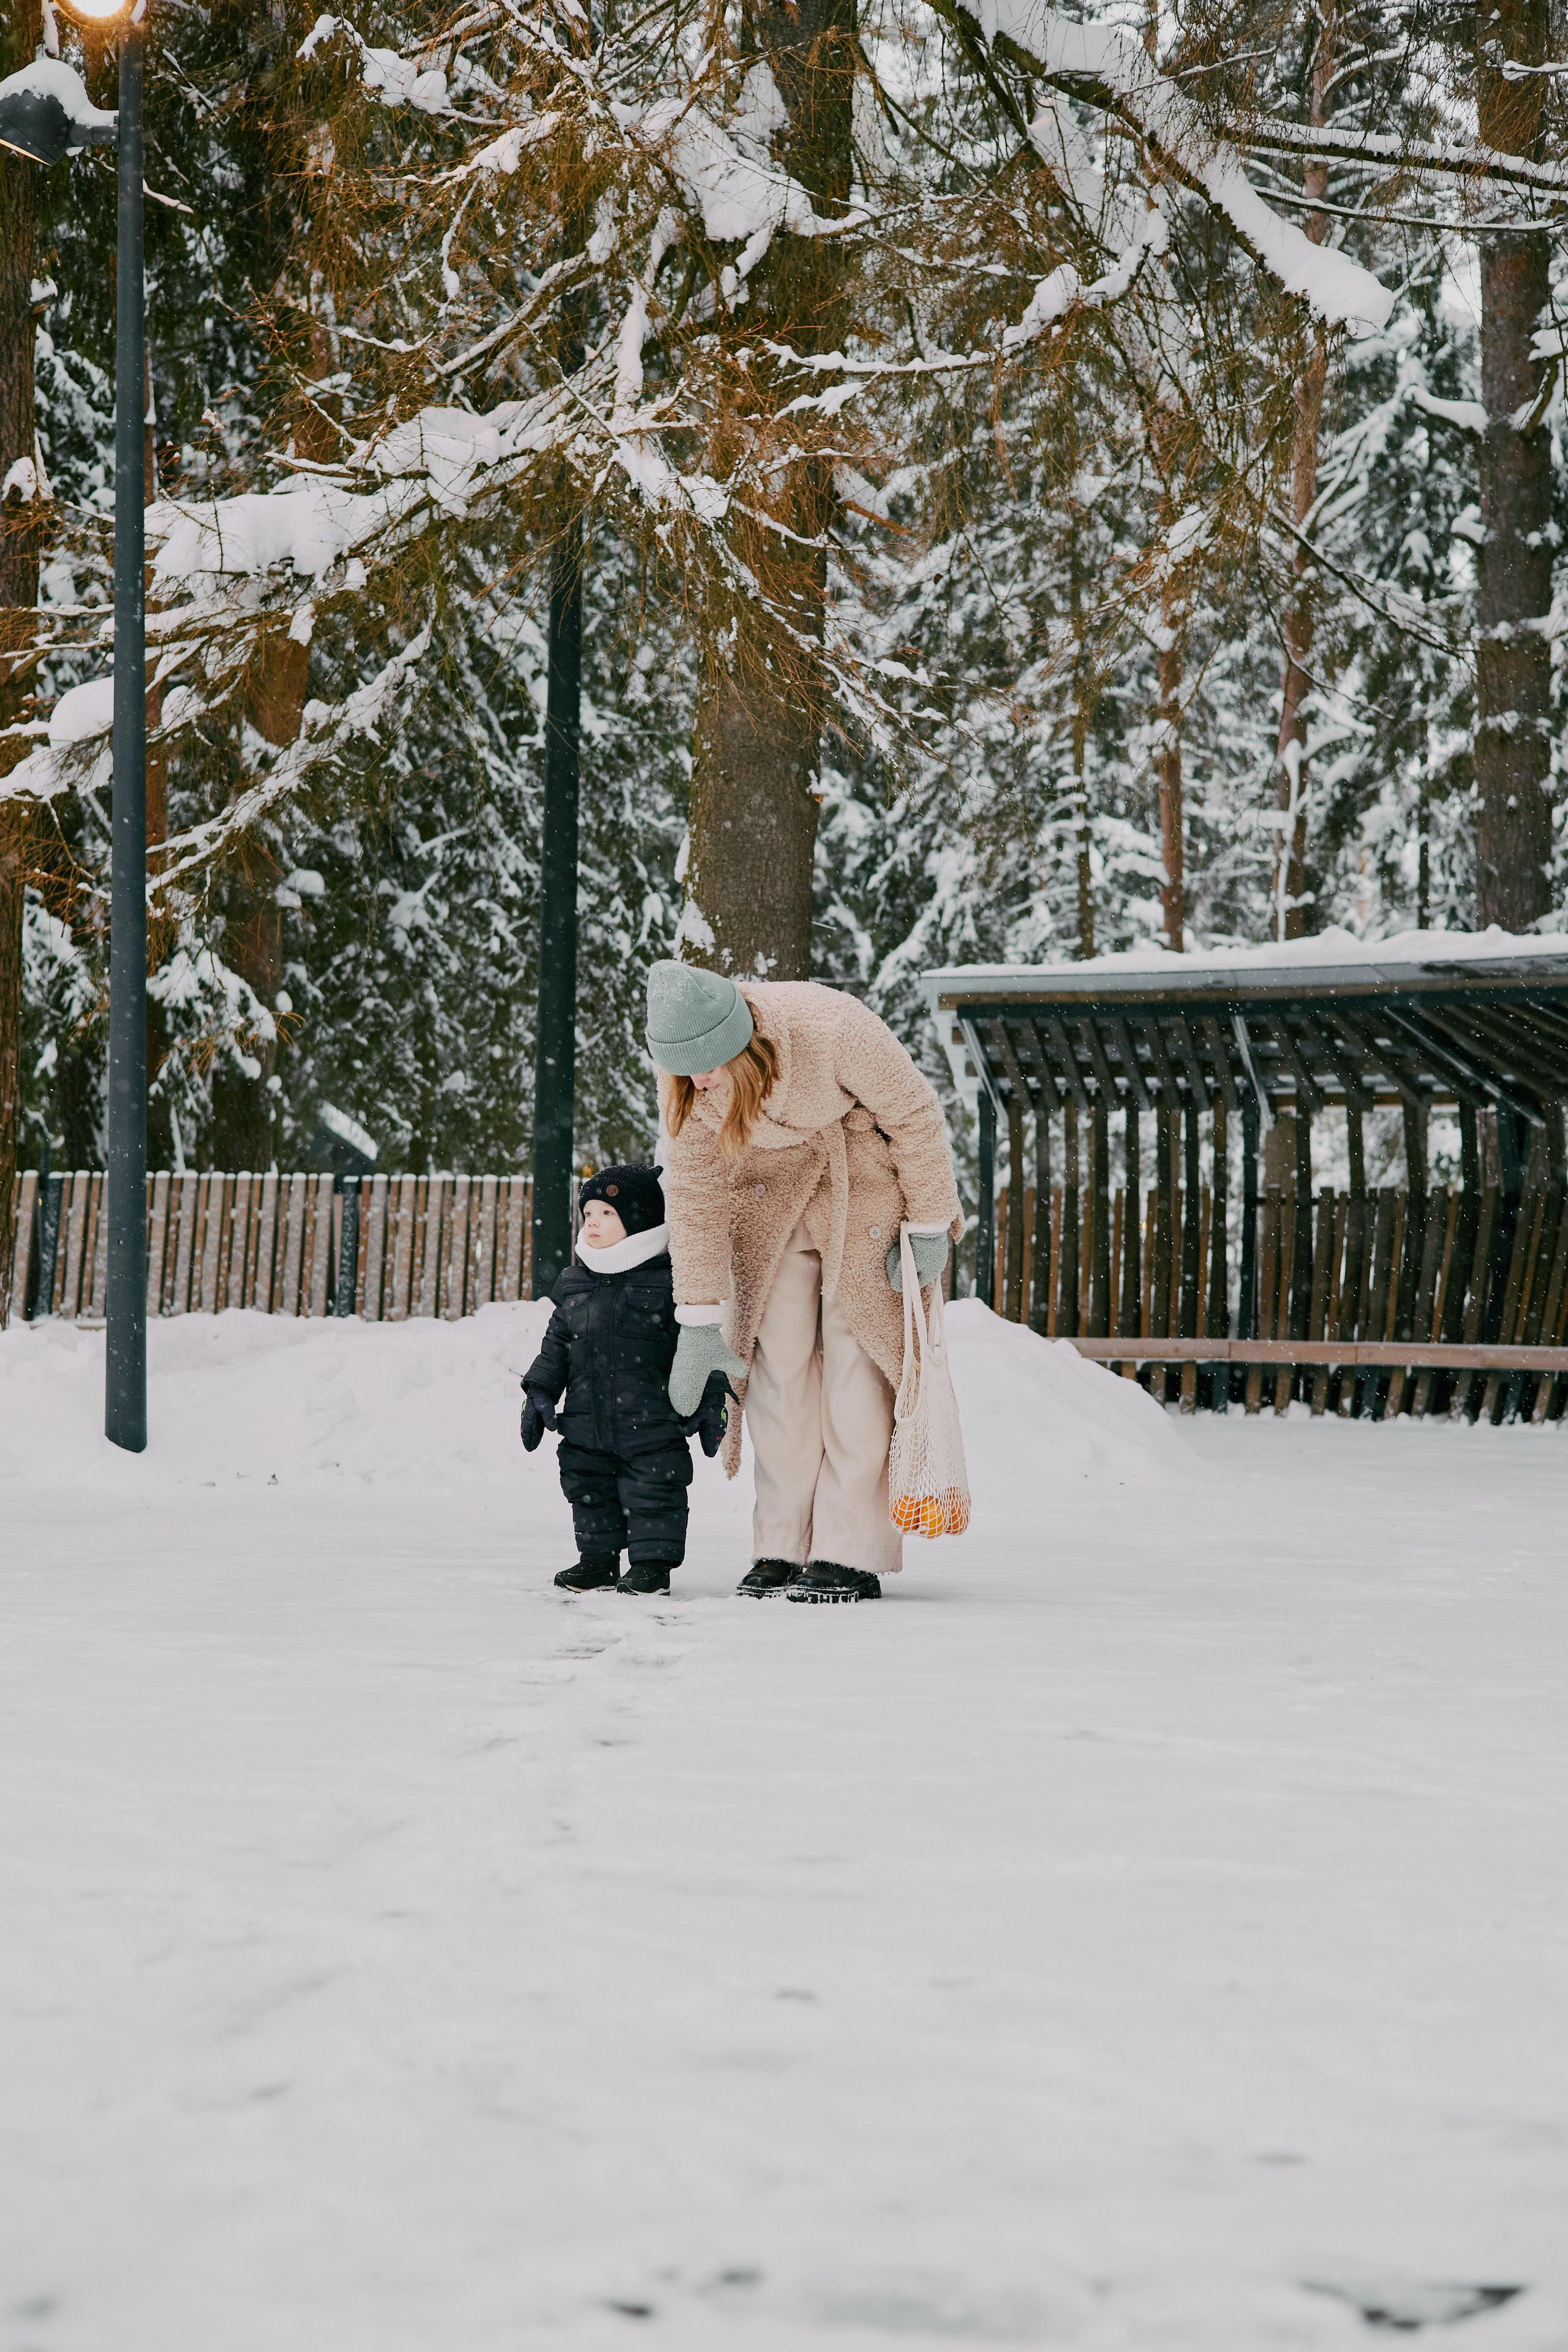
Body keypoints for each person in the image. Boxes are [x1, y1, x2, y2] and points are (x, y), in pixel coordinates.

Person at [646, 962, 962, 1605]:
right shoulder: (687, 1078)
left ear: (742, 1041)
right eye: (684, 1070)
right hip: (766, 1211)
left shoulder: (831, 1025)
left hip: (863, 1191)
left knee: (857, 1371)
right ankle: (780, 1543)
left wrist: (929, 1223)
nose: (698, 1081)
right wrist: (698, 1320)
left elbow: (914, 1114)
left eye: (709, 1064)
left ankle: (849, 1550)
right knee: (776, 1375)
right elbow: (695, 1197)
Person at [520, 1165, 729, 1596]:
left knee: (655, 1491)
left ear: (639, 1221)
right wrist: (538, 1391)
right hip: (584, 1421)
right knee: (588, 1489)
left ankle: (652, 1566)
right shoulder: (575, 1284)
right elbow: (555, 1346)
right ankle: (597, 1561)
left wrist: (711, 1399)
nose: (592, 1222)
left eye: (607, 1214)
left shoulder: (669, 1281)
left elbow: (693, 1346)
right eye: (589, 1213)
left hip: (652, 1422)